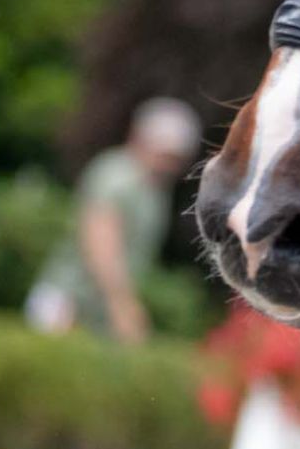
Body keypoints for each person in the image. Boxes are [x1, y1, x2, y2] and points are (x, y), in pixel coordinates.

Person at [28, 97, 202, 344]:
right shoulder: (117, 174)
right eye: (165, 153)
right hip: (67, 305)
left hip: (97, 317)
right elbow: (99, 241)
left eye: (176, 157)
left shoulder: (154, 189)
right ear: (139, 138)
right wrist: (122, 305)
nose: (170, 164)